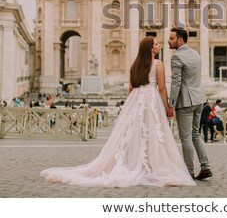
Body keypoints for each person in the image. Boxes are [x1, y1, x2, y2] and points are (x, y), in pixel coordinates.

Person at [41, 37, 195, 187]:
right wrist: (168, 106)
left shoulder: (135, 65)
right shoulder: (158, 64)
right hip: (151, 99)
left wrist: (133, 104)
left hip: (136, 98)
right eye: (156, 43)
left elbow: (130, 88)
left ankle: (134, 163)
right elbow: (161, 87)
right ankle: (151, 165)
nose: (159, 45)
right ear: (150, 48)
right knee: (154, 133)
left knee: (134, 134)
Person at [168, 28, 212, 180]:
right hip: (199, 99)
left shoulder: (177, 58)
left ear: (180, 40)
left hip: (185, 102)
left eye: (172, 38)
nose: (168, 41)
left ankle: (189, 171)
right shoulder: (196, 54)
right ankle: (205, 166)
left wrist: (170, 103)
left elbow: (176, 82)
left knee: (185, 137)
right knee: (195, 135)